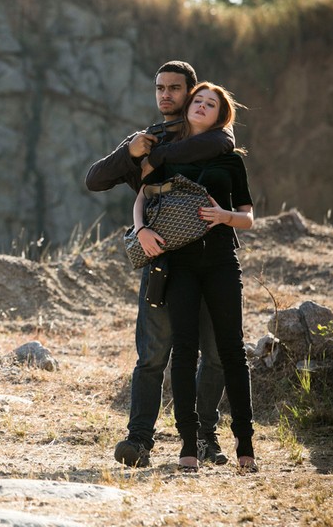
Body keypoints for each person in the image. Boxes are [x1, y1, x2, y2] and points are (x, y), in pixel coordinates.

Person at [85, 61, 233, 468]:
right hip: (163, 264)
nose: (166, 94)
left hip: (210, 262)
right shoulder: (145, 139)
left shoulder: (213, 131)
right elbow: (95, 180)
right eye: (159, 88)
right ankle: (139, 441)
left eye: (174, 88)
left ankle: (205, 438)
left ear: (192, 92)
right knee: (152, 357)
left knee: (215, 355)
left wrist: (156, 156)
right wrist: (130, 153)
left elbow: (217, 145)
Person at [133, 82, 257, 472]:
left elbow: (249, 217)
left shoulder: (231, 160)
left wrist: (226, 217)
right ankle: (188, 446)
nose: (202, 106)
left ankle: (245, 447)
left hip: (222, 261)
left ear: (221, 116)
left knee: (231, 352)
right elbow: (142, 196)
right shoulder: (169, 156)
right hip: (180, 264)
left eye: (211, 104)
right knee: (184, 351)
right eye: (198, 101)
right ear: (188, 108)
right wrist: (141, 231)